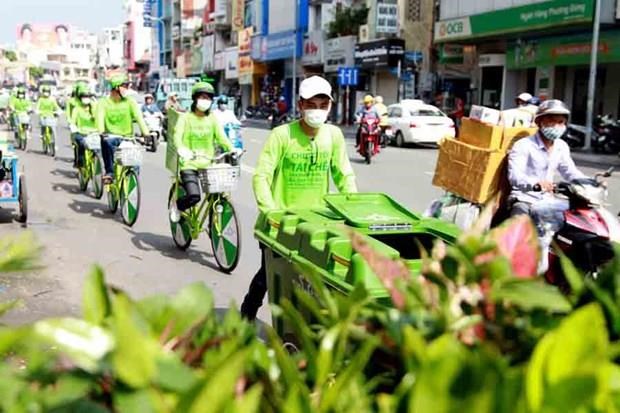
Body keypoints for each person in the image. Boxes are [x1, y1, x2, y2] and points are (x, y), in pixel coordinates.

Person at [240, 75, 358, 320]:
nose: (317, 110)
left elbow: (344, 175)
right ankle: (247, 313)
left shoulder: (333, 136)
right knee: (269, 275)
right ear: (301, 105)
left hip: (316, 224)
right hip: (282, 222)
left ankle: (296, 331)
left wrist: (353, 208)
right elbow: (261, 175)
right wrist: (270, 212)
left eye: (322, 105)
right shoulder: (282, 135)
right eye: (311, 105)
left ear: (330, 106)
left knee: (312, 281)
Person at [507, 99, 586, 272]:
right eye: (552, 121)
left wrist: (588, 183)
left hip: (548, 202)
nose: (557, 126)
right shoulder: (524, 145)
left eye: (561, 122)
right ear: (540, 122)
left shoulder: (561, 146)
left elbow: (570, 171)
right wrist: (536, 185)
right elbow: (514, 177)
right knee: (516, 236)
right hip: (524, 198)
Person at [169, 82, 236, 221]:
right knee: (194, 196)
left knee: (218, 195)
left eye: (208, 98)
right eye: (202, 97)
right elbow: (177, 135)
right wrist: (181, 149)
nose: (205, 100)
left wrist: (232, 149)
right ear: (195, 98)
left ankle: (214, 228)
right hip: (189, 164)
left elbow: (221, 137)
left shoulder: (212, 118)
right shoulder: (185, 118)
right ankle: (178, 206)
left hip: (208, 164)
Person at [96, 74, 151, 183]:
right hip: (110, 136)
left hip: (127, 137)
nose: (127, 89)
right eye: (124, 86)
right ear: (116, 88)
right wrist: (101, 132)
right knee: (106, 143)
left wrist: (146, 133)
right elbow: (100, 118)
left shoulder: (130, 101)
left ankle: (132, 184)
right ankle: (109, 173)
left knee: (134, 163)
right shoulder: (103, 102)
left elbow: (138, 117)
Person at [70, 85, 98, 168]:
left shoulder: (94, 107)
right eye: (84, 96)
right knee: (81, 144)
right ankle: (80, 162)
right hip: (81, 133)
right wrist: (73, 128)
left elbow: (98, 117)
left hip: (94, 133)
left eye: (88, 96)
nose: (86, 98)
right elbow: (73, 121)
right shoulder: (77, 109)